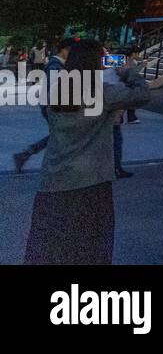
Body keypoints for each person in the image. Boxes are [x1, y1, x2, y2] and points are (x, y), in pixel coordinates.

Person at [24, 39, 151, 264]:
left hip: (53, 181)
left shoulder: (56, 91)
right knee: (89, 250)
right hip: (91, 182)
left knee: (50, 251)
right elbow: (142, 95)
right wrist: (129, 71)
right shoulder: (101, 92)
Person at [13, 37, 73, 173]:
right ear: (64, 50)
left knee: (60, 135)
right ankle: (30, 156)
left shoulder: (56, 64)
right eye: (71, 51)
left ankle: (25, 154)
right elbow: (55, 89)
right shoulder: (55, 65)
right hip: (52, 107)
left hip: (50, 106)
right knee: (62, 135)